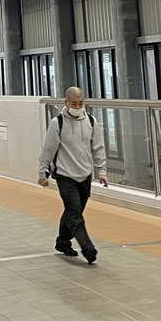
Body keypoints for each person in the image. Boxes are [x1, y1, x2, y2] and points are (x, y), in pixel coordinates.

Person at [36, 86, 107, 264]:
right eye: (74, 103)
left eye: (80, 103)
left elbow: (98, 148)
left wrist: (102, 171)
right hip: (65, 175)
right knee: (75, 214)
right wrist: (41, 172)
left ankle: (62, 242)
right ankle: (88, 248)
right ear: (66, 103)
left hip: (85, 175)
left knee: (73, 211)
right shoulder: (57, 122)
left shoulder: (91, 121)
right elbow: (48, 149)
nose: (77, 106)